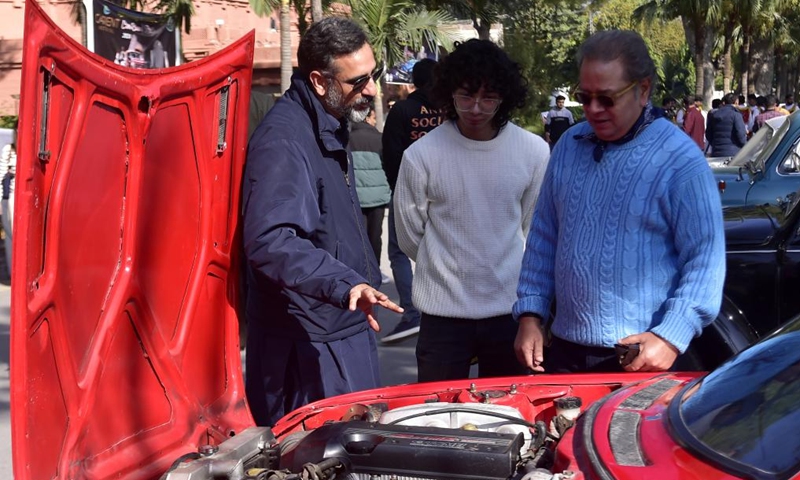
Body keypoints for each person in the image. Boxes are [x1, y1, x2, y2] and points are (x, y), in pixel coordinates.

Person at [513, 30, 725, 374]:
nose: (593, 110)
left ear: (643, 89)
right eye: (585, 97)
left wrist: (671, 336)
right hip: (564, 351)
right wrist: (530, 314)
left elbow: (705, 260)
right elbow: (544, 238)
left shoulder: (680, 160)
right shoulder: (568, 146)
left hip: (642, 356)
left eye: (607, 99)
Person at [242, 17, 402, 427]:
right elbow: (271, 239)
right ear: (318, 81)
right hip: (309, 344)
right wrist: (345, 284)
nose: (371, 89)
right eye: (359, 80)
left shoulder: (325, 120)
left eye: (375, 74)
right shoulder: (284, 139)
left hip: (339, 325)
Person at [394, 39, 550, 382]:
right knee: (436, 419)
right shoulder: (421, 156)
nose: (476, 108)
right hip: (442, 316)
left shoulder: (533, 152)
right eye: (466, 96)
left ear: (505, 98)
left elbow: (532, 228)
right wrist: (444, 266)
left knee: (508, 418)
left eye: (488, 98)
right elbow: (409, 235)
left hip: (508, 313)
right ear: (449, 93)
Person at [380, 58, 441, 344]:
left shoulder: (402, 110)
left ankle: (412, 312)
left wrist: (398, 190)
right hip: (443, 192)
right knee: (442, 248)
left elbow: (391, 154)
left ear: (414, 81)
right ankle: (442, 305)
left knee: (398, 251)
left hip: (408, 191)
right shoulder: (448, 110)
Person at [350, 107, 391, 263]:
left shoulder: (347, 139)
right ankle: (375, 271)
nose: (375, 121)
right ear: (367, 118)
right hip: (377, 198)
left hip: (356, 197)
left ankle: (360, 270)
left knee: (358, 236)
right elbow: (388, 165)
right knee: (375, 236)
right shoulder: (380, 139)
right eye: (373, 118)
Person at [706, 93, 747, 157]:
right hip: (733, 152)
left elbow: (708, 134)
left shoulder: (714, 115)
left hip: (716, 151)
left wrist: (715, 144)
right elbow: (741, 135)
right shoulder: (736, 115)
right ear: (736, 102)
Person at [0, 131, 15, 277]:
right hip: (11, 197)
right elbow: (1, 175)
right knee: (11, 234)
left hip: (23, 196)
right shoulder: (9, 150)